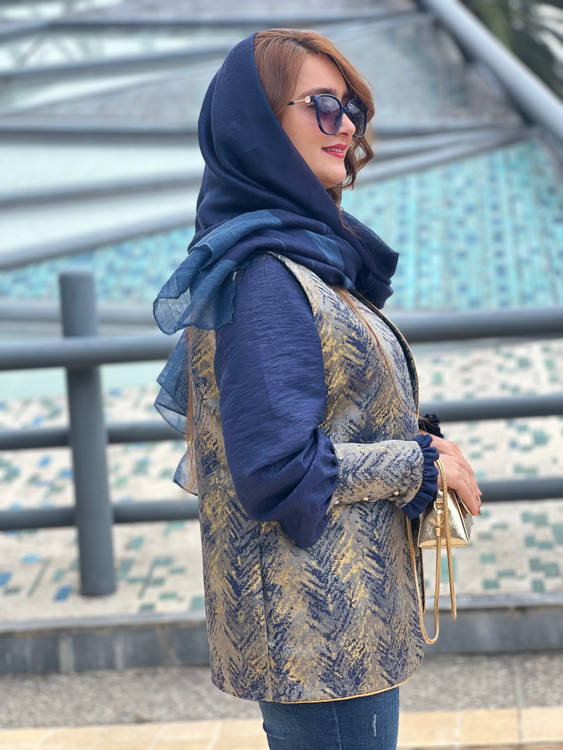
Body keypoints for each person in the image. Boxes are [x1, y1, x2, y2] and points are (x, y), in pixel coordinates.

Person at [154, 28, 482, 750]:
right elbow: (275, 470)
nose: (346, 127)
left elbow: (326, 416)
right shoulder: (265, 277)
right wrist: (419, 465)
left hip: (341, 629)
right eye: (323, 105)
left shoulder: (296, 255)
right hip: (321, 640)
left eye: (352, 108)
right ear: (258, 124)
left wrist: (417, 443)